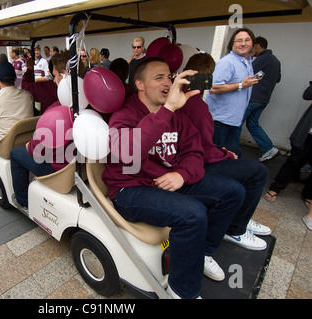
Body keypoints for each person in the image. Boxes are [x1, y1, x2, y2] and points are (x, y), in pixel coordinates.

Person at [103, 57, 246, 298]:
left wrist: (182, 174)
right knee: (192, 214)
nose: (167, 82)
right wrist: (167, 109)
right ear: (140, 84)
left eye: (169, 77)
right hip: (130, 188)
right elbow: (129, 153)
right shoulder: (125, 114)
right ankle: (182, 292)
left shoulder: (177, 116)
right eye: (158, 78)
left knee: (233, 192)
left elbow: (194, 151)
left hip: (167, 181)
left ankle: (203, 254)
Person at [180, 53, 270, 251]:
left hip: (193, 156)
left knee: (236, 150)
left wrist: (225, 152)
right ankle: (236, 229)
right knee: (257, 171)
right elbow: (205, 152)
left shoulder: (181, 98)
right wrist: (225, 155)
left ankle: (241, 216)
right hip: (195, 164)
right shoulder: (197, 107)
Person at [206, 27, 260, 157]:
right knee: (216, 158)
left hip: (235, 121)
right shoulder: (227, 62)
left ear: (252, 43)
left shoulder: (247, 62)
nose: (243, 43)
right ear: (232, 44)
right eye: (239, 41)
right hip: (220, 122)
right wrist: (241, 85)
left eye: (247, 40)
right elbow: (213, 88)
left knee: (230, 157)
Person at [265, 81, 312, 231]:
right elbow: (307, 95)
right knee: (295, 160)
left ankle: (308, 194)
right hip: (309, 134)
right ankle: (276, 188)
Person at [240, 36, 282, 162]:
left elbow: (247, 74)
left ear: (257, 46)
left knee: (236, 124)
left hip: (253, 99)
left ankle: (231, 151)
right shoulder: (276, 61)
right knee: (253, 124)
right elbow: (278, 79)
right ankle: (269, 149)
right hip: (263, 100)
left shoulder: (263, 58)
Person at [21, 50, 71, 115]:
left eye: (55, 75)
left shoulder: (50, 88)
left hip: (52, 123)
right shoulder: (83, 88)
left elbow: (26, 87)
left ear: (64, 73)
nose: (54, 80)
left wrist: (30, 69)